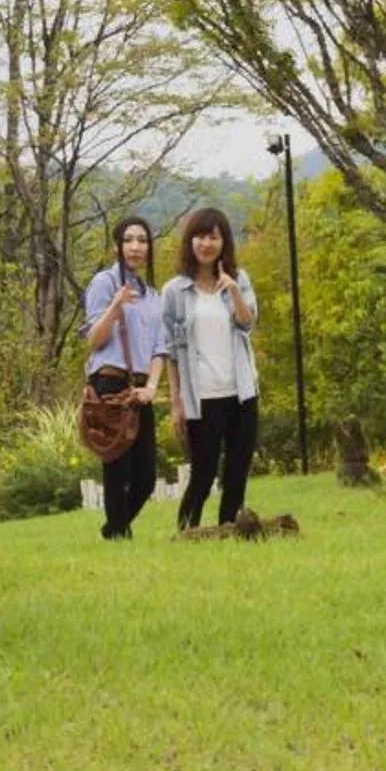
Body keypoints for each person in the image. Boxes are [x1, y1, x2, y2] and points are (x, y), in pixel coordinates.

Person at [152, 206, 259, 531]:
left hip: (241, 390)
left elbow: (248, 323)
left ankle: (230, 528)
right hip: (202, 395)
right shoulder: (174, 291)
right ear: (190, 241)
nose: (206, 244)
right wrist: (176, 401)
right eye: (200, 236)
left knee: (237, 469)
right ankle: (186, 531)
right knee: (203, 471)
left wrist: (233, 290)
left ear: (224, 242)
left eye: (213, 237)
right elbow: (170, 350)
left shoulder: (238, 279)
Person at [81, 216, 163, 540]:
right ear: (118, 245)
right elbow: (94, 340)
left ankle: (113, 528)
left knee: (146, 477)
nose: (135, 247)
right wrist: (115, 306)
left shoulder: (153, 296)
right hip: (110, 383)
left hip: (140, 388)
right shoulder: (104, 282)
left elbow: (160, 348)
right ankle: (119, 535)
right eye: (129, 240)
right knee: (117, 467)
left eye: (142, 240)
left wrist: (152, 387)